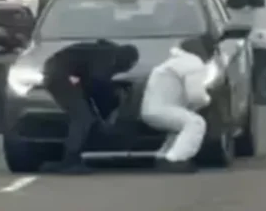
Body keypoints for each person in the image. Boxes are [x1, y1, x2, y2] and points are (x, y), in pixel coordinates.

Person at [43, 39, 140, 174]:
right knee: (82, 118)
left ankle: (73, 158)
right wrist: (113, 99)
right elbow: (97, 82)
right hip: (59, 76)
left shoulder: (103, 52)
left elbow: (90, 82)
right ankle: (70, 160)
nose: (124, 70)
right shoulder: (108, 56)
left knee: (86, 116)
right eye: (127, 66)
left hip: (59, 73)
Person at [140, 35, 215, 173]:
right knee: (195, 123)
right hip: (163, 109)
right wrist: (207, 99)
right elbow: (196, 96)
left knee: (180, 127)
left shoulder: (173, 62)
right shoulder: (193, 63)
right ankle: (176, 160)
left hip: (151, 109)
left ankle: (163, 156)